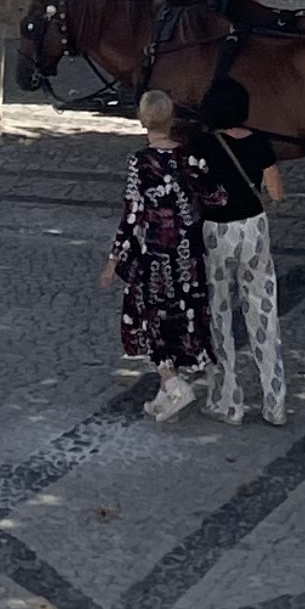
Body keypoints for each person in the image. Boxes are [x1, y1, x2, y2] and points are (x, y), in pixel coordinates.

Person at [100, 88, 214, 421]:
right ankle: (166, 396)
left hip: (155, 256)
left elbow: (131, 215)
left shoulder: (141, 162)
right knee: (182, 313)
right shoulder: (192, 158)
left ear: (143, 119)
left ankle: (173, 382)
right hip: (188, 254)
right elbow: (213, 197)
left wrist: (113, 261)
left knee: (153, 319)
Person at [184, 73, 289, 426]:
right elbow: (275, 193)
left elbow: (191, 191)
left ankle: (228, 400)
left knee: (219, 315)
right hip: (254, 228)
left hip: (216, 232)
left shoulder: (201, 145)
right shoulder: (259, 142)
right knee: (264, 313)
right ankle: (275, 401)